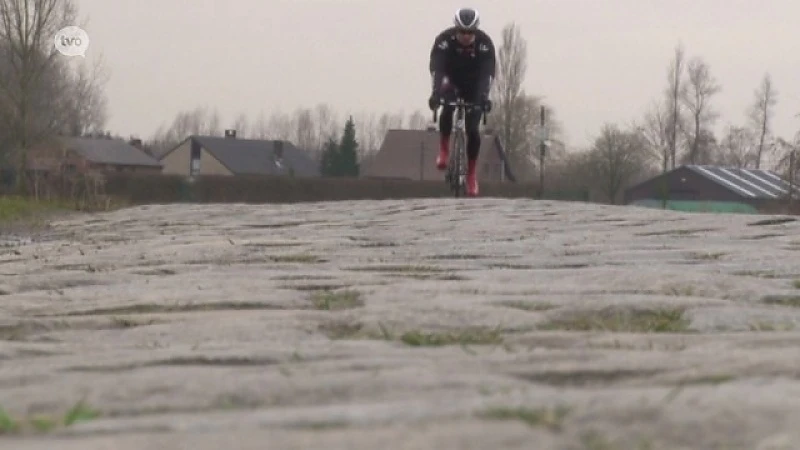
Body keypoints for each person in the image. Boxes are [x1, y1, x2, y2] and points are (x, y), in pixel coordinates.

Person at [428, 7, 496, 197]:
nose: (466, 37)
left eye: (470, 33)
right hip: (452, 81)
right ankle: (444, 149)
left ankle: (471, 175)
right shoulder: (444, 41)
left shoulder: (484, 44)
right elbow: (437, 69)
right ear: (456, 29)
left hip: (474, 87)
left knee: (473, 130)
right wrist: (435, 94)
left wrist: (483, 98)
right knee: (447, 107)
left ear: (475, 31)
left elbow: (487, 75)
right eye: (462, 32)